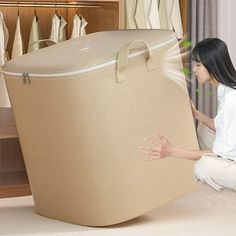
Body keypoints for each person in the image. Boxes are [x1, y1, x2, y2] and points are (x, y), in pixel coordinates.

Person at [142, 38, 236, 192]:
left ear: (212, 64)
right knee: (204, 130)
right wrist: (196, 114)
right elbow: (222, 127)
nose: (194, 69)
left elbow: (217, 155)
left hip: (231, 158)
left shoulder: (232, 99)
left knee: (202, 167)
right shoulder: (225, 90)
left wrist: (171, 151)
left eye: (198, 65)